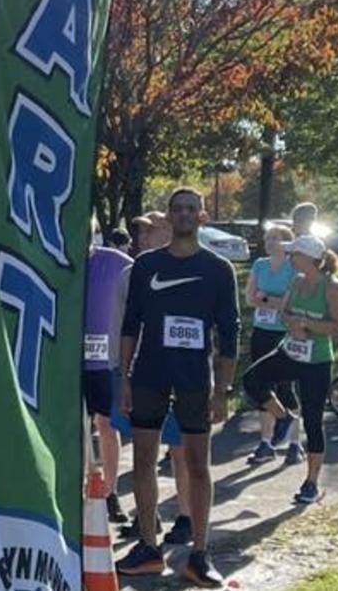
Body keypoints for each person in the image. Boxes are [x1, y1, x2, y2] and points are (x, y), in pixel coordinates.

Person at [115, 188, 238, 587]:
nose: (184, 214)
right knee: (143, 462)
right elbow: (131, 323)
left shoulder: (219, 269)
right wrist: (124, 377)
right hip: (150, 373)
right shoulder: (147, 264)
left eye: (191, 209)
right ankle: (149, 547)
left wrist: (223, 390)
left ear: (201, 216)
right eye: (178, 208)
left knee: (198, 465)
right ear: (169, 217)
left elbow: (230, 334)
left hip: (193, 379)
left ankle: (199, 555)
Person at [274, 234, 338, 505]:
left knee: (313, 419)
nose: (291, 258)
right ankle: (282, 418)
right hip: (291, 351)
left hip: (317, 360)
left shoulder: (332, 287)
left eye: (294, 254)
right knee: (253, 380)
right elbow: (283, 313)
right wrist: (292, 323)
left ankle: (311, 482)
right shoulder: (296, 282)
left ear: (309, 258)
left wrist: (306, 324)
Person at [241, 226, 304, 465]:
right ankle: (266, 443)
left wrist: (265, 298)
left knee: (286, 388)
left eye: (275, 238)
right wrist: (272, 301)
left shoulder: (294, 268)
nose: (269, 242)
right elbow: (249, 298)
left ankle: (295, 444)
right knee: (261, 387)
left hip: (286, 333)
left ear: (287, 243)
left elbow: (292, 304)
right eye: (267, 238)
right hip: (262, 331)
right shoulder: (260, 265)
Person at [82, 239, 134, 526]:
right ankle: (76, 493)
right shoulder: (60, 261)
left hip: (105, 360)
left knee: (107, 425)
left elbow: (141, 287)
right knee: (73, 428)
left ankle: (110, 492)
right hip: (69, 361)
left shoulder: (114, 261)